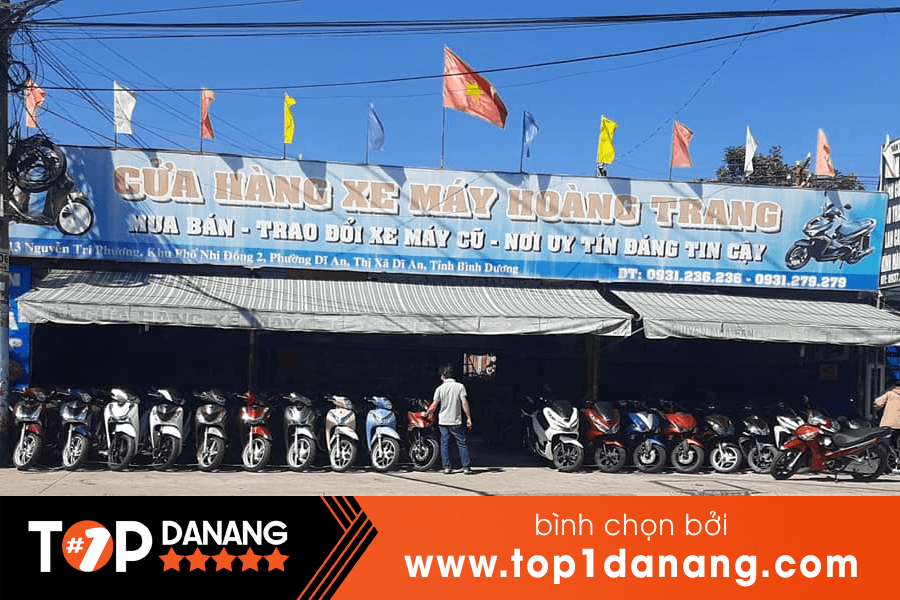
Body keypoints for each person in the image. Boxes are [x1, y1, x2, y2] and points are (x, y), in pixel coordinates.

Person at [426, 363, 474, 474]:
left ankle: (447, 467)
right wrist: (468, 418)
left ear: (443, 375)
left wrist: (428, 412)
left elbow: (434, 405)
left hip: (443, 421)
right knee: (462, 443)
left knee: (444, 444)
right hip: (456, 420)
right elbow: (464, 403)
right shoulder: (460, 386)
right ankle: (466, 467)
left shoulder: (439, 389)